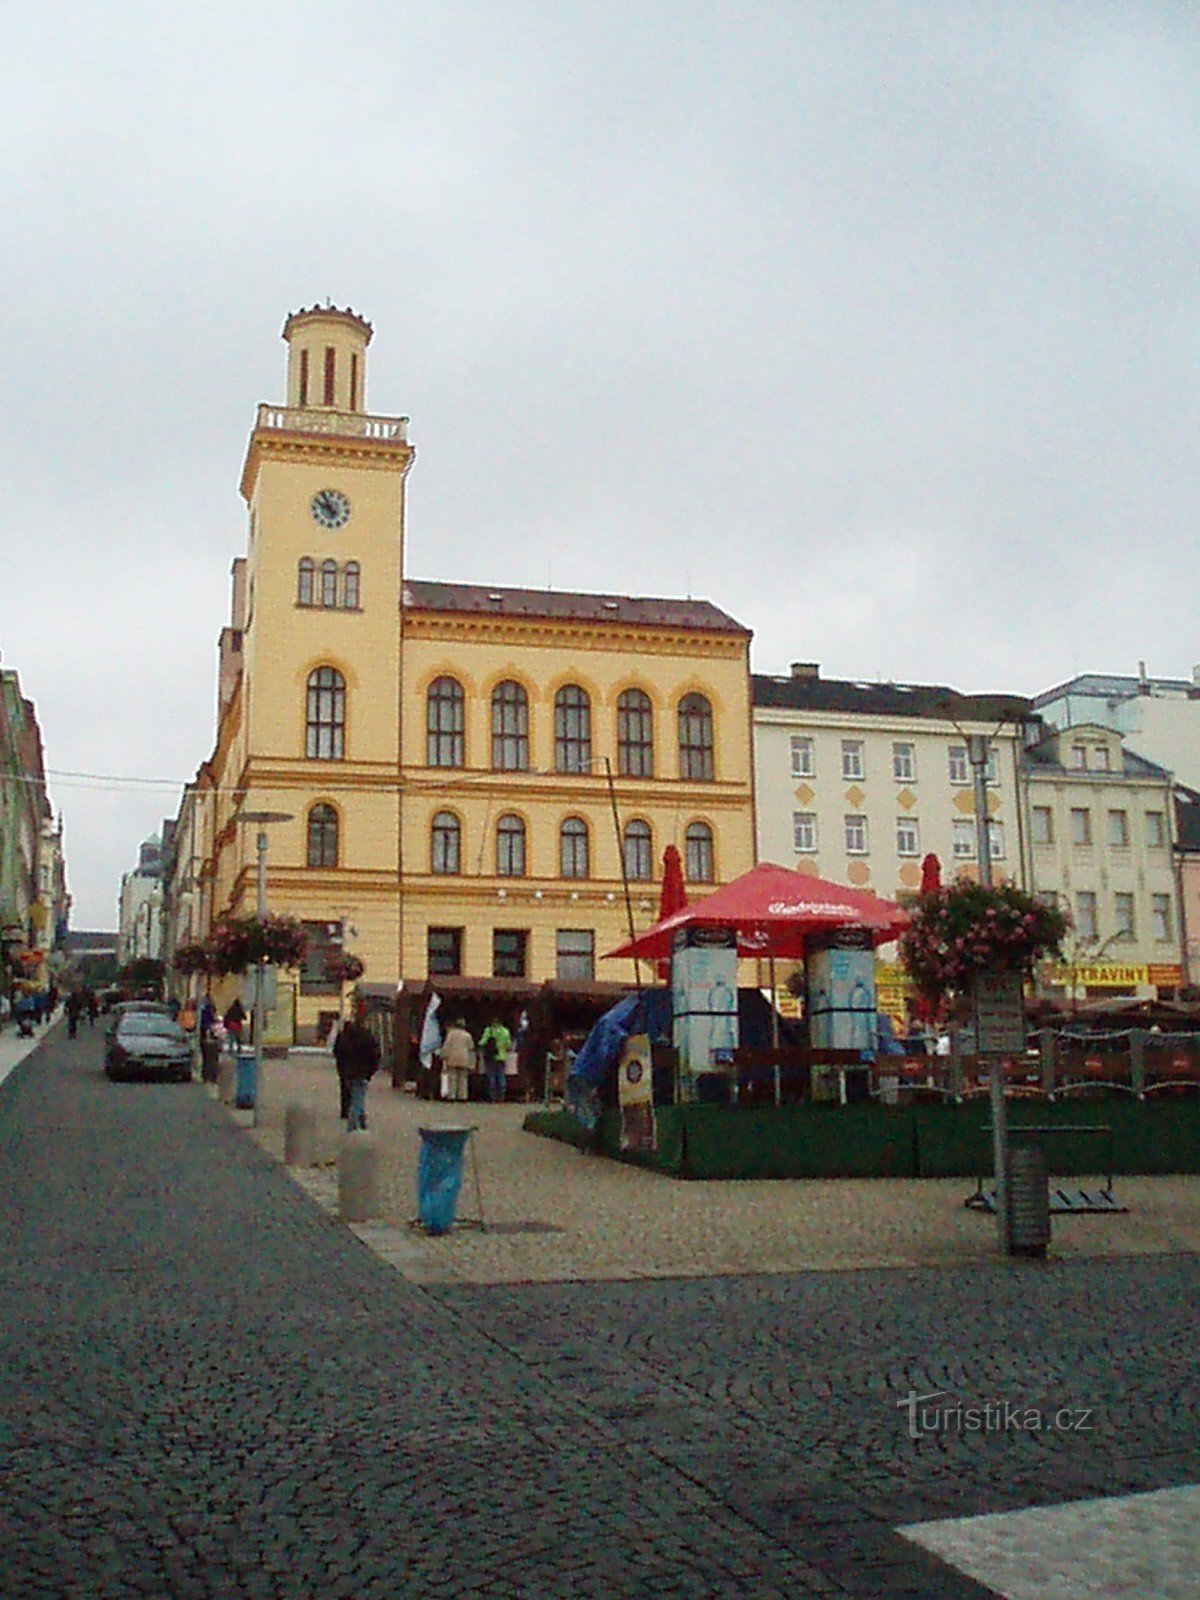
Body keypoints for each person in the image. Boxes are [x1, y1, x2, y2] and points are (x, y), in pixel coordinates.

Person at [333, 1003, 381, 1130]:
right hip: (362, 1073)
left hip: (347, 1072)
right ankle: (353, 1125)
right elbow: (375, 1055)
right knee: (358, 1098)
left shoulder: (345, 1036)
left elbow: (338, 1052)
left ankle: (358, 1120)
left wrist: (341, 1068)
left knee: (351, 1095)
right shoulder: (368, 1037)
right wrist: (371, 1072)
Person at [478, 1015, 513, 1104]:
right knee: (501, 1076)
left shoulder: (489, 1030)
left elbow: (483, 1042)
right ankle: (501, 1097)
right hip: (501, 1056)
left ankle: (493, 1097)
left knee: (491, 1076)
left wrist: (479, 1045)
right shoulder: (505, 1031)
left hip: (491, 1057)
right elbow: (509, 1045)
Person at [440, 1018, 475, 1103]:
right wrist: (472, 1062)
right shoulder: (467, 1035)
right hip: (464, 1058)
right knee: (463, 1078)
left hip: (453, 1058)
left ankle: (452, 1096)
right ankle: (462, 1096)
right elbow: (471, 1048)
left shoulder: (451, 1034)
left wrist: (443, 1056)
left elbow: (446, 1046)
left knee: (452, 1078)